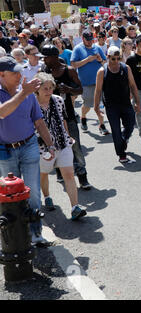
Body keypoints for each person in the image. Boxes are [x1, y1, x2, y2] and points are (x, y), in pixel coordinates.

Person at [0, 56, 54, 245]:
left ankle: (36, 233)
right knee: (10, 195)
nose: (19, 75)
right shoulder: (25, 92)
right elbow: (2, 112)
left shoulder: (28, 93)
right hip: (5, 151)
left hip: (29, 144)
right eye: (14, 73)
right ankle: (15, 237)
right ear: (1, 75)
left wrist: (50, 143)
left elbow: (38, 121)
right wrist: (24, 93)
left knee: (33, 191)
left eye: (19, 71)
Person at [33, 72, 87, 221]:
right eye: (45, 88)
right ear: (37, 89)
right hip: (42, 148)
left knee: (69, 174)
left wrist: (68, 136)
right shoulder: (31, 103)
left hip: (62, 143)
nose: (49, 91)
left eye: (51, 88)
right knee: (43, 174)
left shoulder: (57, 100)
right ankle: (47, 196)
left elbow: (63, 120)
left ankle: (75, 207)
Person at [41, 44, 92, 190]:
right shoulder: (45, 71)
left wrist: (69, 89)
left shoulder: (68, 71)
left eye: (45, 57)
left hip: (68, 115)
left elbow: (80, 89)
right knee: (54, 144)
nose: (43, 60)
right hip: (50, 117)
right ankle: (59, 173)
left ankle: (82, 177)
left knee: (75, 146)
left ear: (54, 57)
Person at [94, 46, 140, 164]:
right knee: (116, 130)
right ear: (108, 57)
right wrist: (96, 107)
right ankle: (121, 154)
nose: (115, 61)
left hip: (125, 103)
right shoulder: (102, 72)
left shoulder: (126, 68)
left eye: (117, 58)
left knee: (130, 125)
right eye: (113, 59)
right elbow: (98, 90)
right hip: (111, 106)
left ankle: (123, 141)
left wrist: (137, 102)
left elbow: (133, 85)